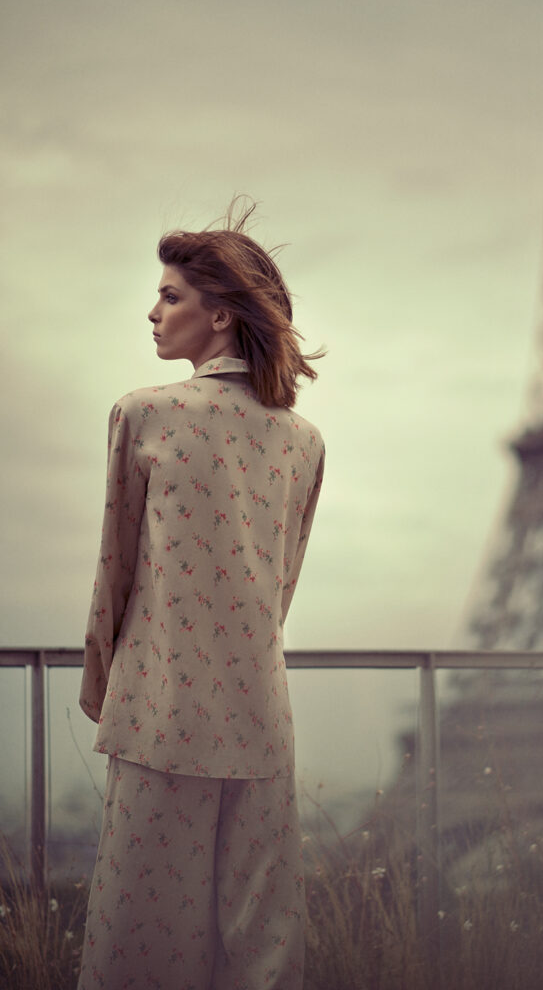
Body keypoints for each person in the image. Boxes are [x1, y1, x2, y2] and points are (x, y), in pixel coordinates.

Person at [77, 200, 325, 990]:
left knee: (143, 944)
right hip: (260, 712)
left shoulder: (144, 412)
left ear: (220, 315)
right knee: (259, 950)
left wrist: (101, 690)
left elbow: (115, 569)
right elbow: (280, 582)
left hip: (162, 710)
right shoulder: (303, 439)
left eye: (171, 297)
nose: (152, 312)